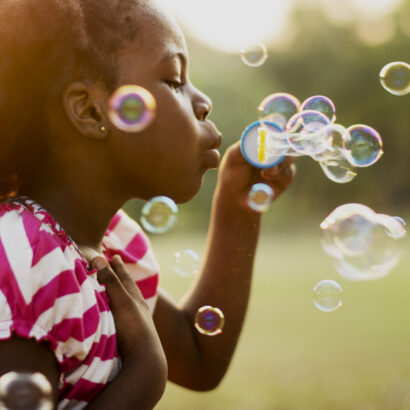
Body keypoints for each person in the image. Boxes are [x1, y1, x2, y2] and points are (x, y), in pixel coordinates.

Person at [0, 0, 296, 408]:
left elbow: (197, 357)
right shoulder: (21, 261)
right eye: (174, 80)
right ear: (90, 111)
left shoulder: (111, 248)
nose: (203, 101)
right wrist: (146, 375)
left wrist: (239, 205)